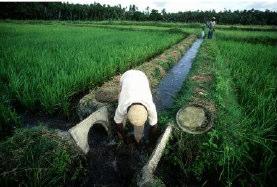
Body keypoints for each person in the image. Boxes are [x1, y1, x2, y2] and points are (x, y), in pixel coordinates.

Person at [114, 70, 158, 145]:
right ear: (127, 112)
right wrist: (124, 137)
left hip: (142, 77)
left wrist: (152, 139)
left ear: (146, 112)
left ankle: (138, 138)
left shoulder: (151, 107)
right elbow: (117, 123)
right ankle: (125, 129)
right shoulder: (121, 106)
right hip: (126, 76)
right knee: (120, 96)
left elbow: (154, 125)